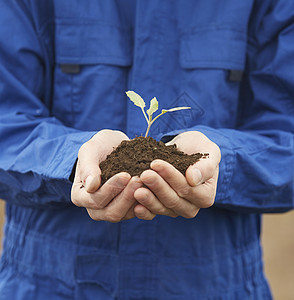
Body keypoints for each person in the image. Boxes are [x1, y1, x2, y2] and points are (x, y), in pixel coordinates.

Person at [0, 0, 293, 299]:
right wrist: (73, 161)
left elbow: (286, 136)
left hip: (214, 285)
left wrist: (218, 163)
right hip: (47, 284)